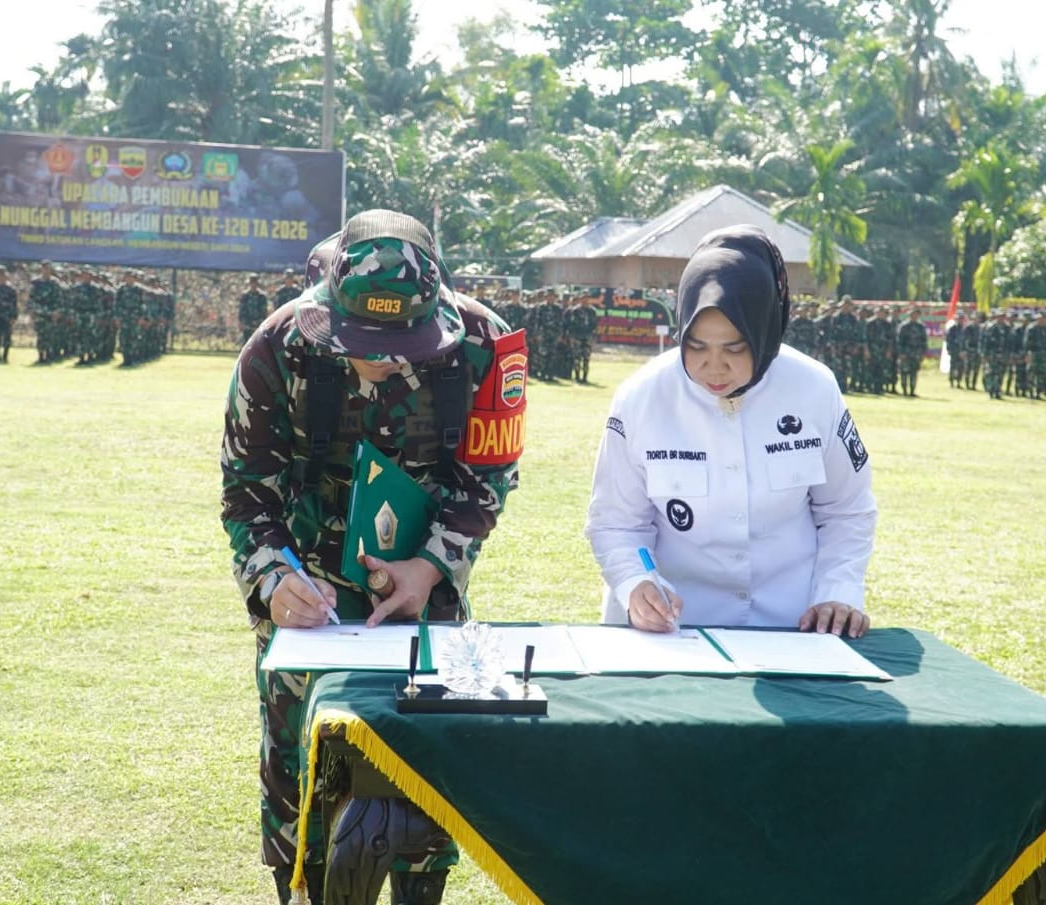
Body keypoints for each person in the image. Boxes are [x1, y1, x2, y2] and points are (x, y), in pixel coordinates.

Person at [219, 210, 523, 905]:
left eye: (407, 345)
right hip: (309, 588)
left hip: (427, 586)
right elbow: (246, 494)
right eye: (368, 345)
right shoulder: (278, 346)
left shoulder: (486, 343)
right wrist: (273, 578)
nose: (390, 360)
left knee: (431, 753)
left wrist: (431, 566)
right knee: (301, 763)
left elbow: (491, 475)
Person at [585, 225, 876, 636]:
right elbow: (616, 522)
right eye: (697, 346)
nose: (714, 367)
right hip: (674, 631)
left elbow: (847, 509)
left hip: (792, 629)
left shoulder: (814, 389)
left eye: (735, 348)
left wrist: (839, 590)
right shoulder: (641, 397)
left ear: (765, 331)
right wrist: (635, 583)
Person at [896, 307, 928, 397]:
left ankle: (912, 391)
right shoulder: (903, 326)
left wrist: (922, 353)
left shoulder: (921, 327)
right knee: (904, 372)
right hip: (905, 354)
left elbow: (924, 341)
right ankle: (904, 391)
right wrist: (901, 353)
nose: (914, 316)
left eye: (916, 314)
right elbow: (899, 341)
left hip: (916, 354)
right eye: (913, 314)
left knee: (914, 373)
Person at [238, 275, 269, 345]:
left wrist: (264, 322)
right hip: (247, 323)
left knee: (258, 343)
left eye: (255, 282)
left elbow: (264, 311)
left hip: (258, 322)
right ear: (249, 283)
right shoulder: (245, 295)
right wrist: (241, 322)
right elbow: (241, 310)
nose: (253, 284)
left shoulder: (262, 296)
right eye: (252, 282)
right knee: (246, 343)